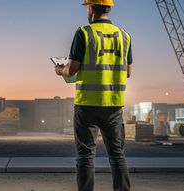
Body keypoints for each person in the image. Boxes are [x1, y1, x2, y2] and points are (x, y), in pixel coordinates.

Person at [55, 0, 132, 190]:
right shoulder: (125, 36)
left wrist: (60, 70)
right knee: (116, 155)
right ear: (109, 8)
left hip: (87, 105)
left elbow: (71, 70)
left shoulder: (84, 33)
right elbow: (128, 72)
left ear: (91, 9)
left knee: (85, 155)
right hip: (113, 105)